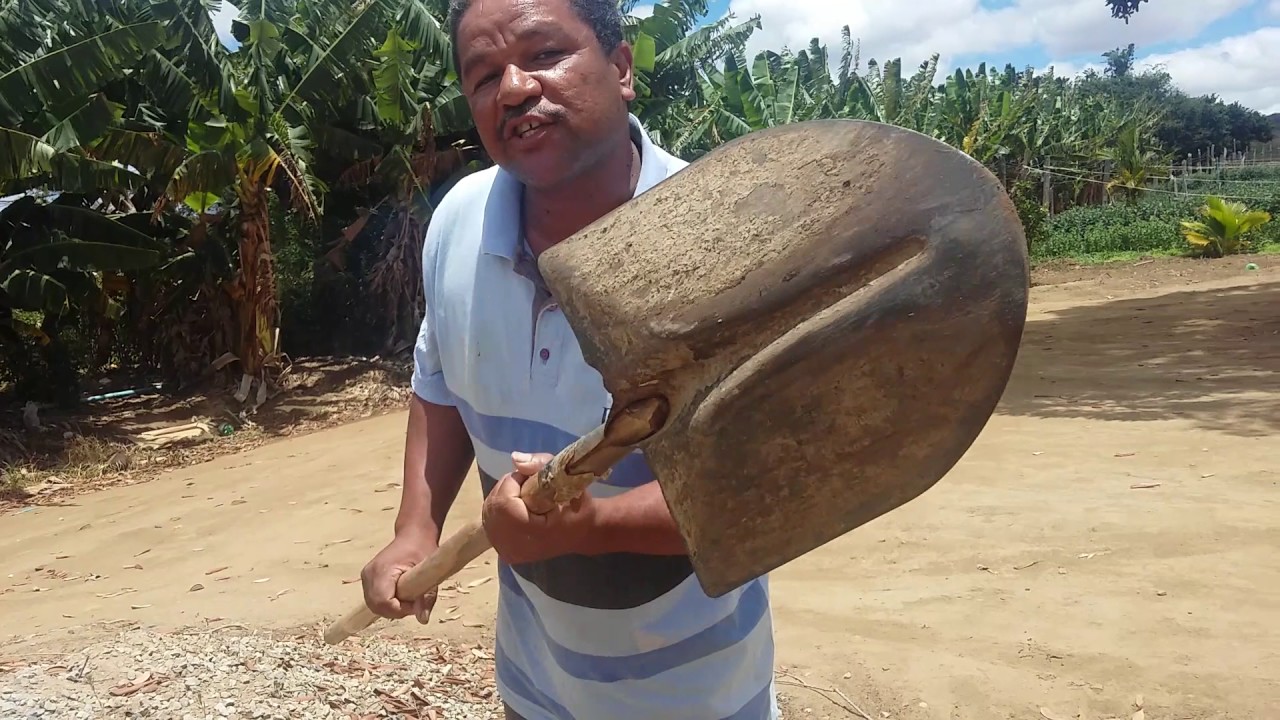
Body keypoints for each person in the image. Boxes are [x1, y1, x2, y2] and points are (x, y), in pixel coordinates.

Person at [358, 0, 778, 717]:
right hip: (534, 684)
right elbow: (439, 384)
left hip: (697, 694)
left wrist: (594, 527)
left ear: (621, 68)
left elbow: (761, 485)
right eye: (484, 75)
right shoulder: (457, 223)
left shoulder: (723, 242)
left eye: (544, 54)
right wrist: (414, 529)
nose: (514, 88)